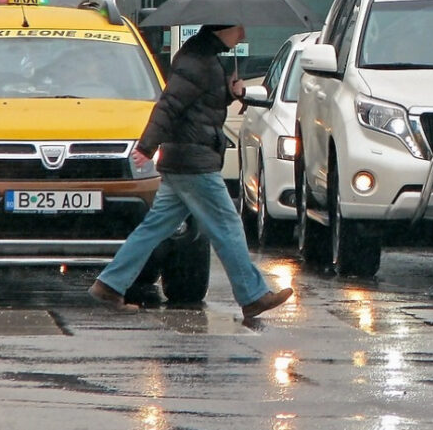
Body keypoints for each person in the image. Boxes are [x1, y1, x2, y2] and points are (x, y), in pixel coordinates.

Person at [89, 23, 294, 319]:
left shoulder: (204, 59)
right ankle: (252, 296)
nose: (244, 35)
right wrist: (146, 146)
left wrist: (231, 93)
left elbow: (198, 104)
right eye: (239, 29)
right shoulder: (197, 62)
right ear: (222, 28)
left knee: (154, 228)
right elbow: (169, 105)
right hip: (192, 161)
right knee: (228, 226)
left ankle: (109, 285)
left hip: (184, 159)